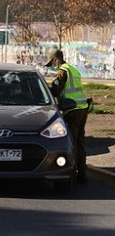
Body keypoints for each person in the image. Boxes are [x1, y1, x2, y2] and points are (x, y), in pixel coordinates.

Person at [46, 48, 90, 183]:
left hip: (72, 110)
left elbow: (54, 90)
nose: (52, 66)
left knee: (72, 142)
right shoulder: (73, 69)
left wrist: (42, 88)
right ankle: (82, 173)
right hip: (82, 108)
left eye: (51, 63)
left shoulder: (62, 72)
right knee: (80, 142)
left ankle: (73, 172)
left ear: (55, 59)